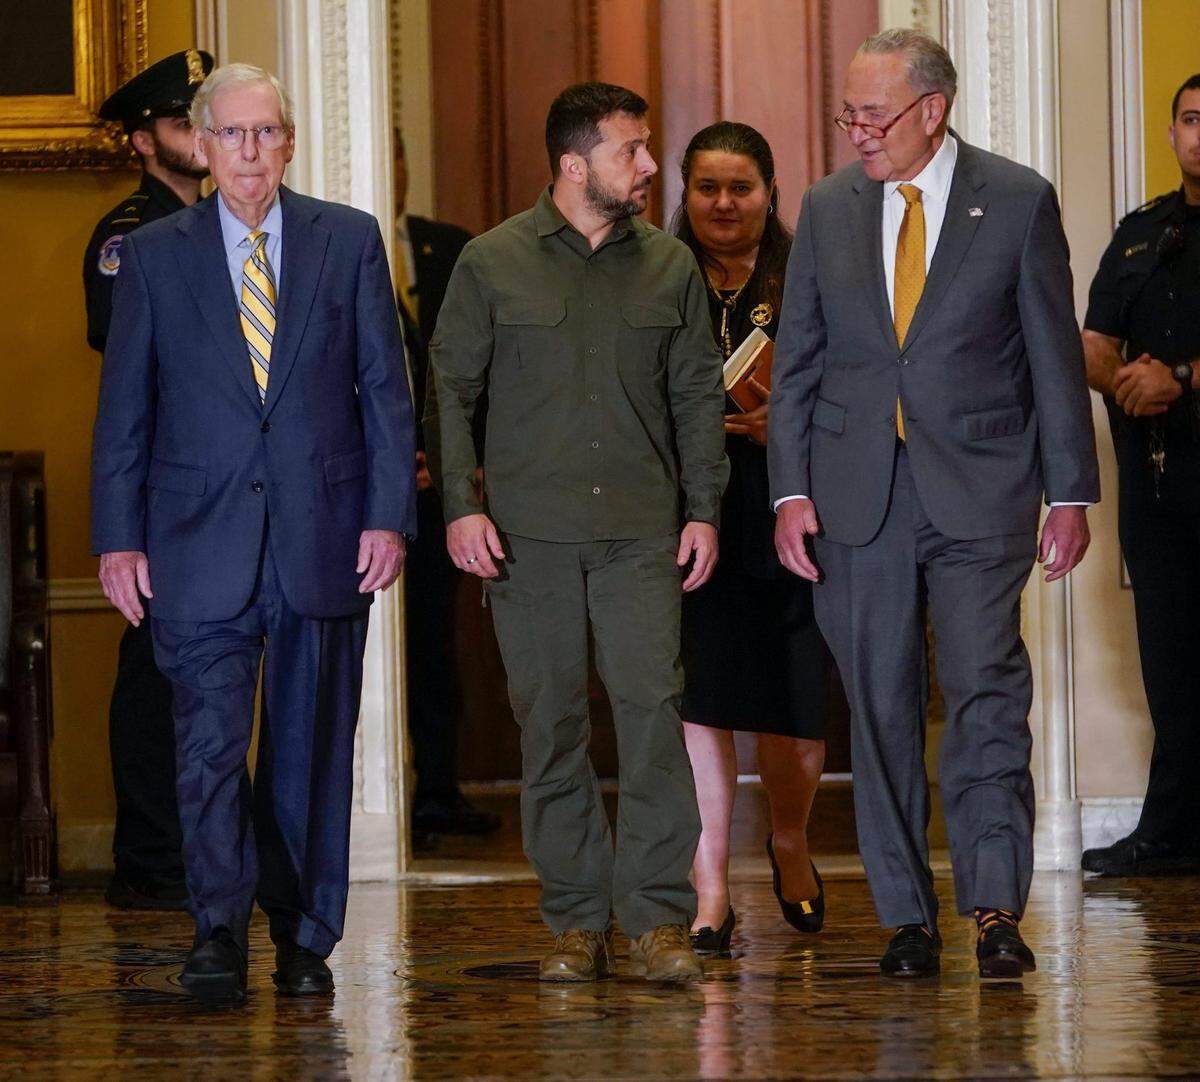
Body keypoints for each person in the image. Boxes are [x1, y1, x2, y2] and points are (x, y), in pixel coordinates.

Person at [769, 30, 1099, 980]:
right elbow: (797, 363)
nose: (858, 132)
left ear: (932, 110)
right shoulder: (827, 207)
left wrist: (1071, 491)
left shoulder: (1018, 199)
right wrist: (789, 490)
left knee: (986, 691)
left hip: (983, 487)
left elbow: (1052, 355)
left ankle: (995, 908)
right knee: (877, 704)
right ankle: (906, 918)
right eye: (849, 114)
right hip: (853, 494)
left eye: (874, 115)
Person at [91, 63, 416, 1002]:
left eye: (265, 132)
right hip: (194, 540)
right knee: (206, 748)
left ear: (289, 143)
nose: (248, 151)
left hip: (325, 536)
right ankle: (218, 931)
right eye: (230, 134)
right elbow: (125, 409)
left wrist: (388, 517)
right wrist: (118, 538)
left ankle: (305, 937)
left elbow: (385, 393)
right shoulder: (154, 254)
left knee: (311, 749)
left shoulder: (346, 239)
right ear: (201, 145)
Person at [426, 82, 728, 983]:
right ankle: (575, 922)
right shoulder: (490, 263)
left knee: (652, 718)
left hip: (643, 535)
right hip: (530, 541)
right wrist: (460, 506)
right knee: (551, 725)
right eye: (630, 150)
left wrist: (704, 510)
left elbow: (697, 398)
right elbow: (449, 392)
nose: (648, 166)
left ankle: (658, 922)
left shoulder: (670, 266)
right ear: (573, 163)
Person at [670, 122, 829, 954]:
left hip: (792, 509)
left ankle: (790, 840)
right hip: (686, 517)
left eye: (742, 188)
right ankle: (710, 884)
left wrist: (797, 426)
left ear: (771, 192)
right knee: (701, 701)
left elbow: (862, 380)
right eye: (708, 188)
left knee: (794, 710)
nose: (724, 204)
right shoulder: (655, 272)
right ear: (685, 193)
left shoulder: (812, 269)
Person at [83, 48, 214, 912]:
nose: (197, 137)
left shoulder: (223, 225)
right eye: (178, 122)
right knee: (155, 669)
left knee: (207, 669)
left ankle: (199, 850)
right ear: (141, 140)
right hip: (166, 481)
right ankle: (150, 856)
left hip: (220, 482)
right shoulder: (129, 235)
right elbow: (134, 366)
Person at [1080, 73, 1200, 878]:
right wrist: (1122, 377)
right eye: (1190, 119)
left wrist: (1180, 379)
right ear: (1171, 133)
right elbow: (1093, 338)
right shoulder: (1142, 232)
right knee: (1171, 661)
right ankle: (1172, 830)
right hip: (1156, 485)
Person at [392, 131, 499, 845]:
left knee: (433, 641)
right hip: (362, 491)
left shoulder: (450, 248)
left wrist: (464, 460)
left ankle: (436, 787)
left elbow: (486, 368)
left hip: (440, 491)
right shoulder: (330, 246)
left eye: (399, 155)